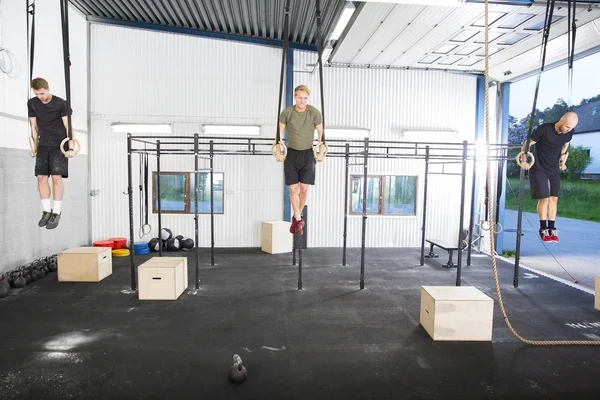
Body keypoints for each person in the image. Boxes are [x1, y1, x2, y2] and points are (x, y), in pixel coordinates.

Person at [520, 111, 578, 243]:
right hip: (538, 168)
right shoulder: (544, 129)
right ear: (561, 121)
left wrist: (563, 162)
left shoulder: (568, 133)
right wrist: (524, 159)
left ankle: (552, 228)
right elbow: (526, 144)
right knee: (545, 199)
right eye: (567, 127)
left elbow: (565, 146)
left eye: (571, 129)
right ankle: (543, 229)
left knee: (554, 199)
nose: (569, 130)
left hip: (553, 169)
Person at [27, 77, 75, 230]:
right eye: (36, 94)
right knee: (41, 178)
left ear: (48, 89)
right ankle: (46, 211)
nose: (39, 97)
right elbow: (33, 127)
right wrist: (34, 146)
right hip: (43, 144)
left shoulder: (61, 104)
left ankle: (57, 212)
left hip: (59, 145)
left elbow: (69, 127)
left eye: (41, 93)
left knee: (55, 177)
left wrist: (71, 147)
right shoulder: (32, 103)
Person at [278, 85, 324, 236]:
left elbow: (320, 133)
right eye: (300, 97)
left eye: (305, 98)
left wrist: (321, 148)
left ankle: (296, 218)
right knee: (293, 190)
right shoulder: (287, 112)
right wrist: (279, 147)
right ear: (295, 97)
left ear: (308, 98)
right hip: (291, 154)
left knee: (304, 188)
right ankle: (298, 218)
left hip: (307, 154)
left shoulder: (314, 112)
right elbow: (279, 133)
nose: (302, 101)